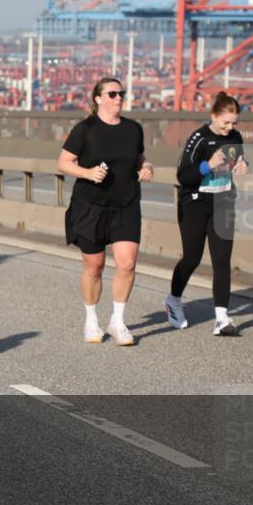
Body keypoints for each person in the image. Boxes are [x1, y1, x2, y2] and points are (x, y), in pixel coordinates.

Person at [57, 77, 153, 346]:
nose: (118, 98)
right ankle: (91, 320)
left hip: (126, 204)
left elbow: (140, 158)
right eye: (112, 94)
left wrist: (147, 167)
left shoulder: (133, 129)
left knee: (127, 263)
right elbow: (63, 162)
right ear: (98, 98)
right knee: (94, 265)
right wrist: (87, 172)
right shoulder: (85, 130)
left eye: (121, 93)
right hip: (91, 206)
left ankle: (118, 321)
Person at [165, 92, 248, 336]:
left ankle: (221, 318)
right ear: (214, 116)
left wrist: (244, 165)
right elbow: (182, 176)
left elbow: (238, 159)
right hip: (194, 202)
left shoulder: (236, 136)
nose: (230, 128)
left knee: (222, 261)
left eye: (234, 123)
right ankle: (173, 301)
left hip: (223, 202)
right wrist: (207, 166)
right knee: (192, 257)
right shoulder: (199, 138)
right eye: (226, 122)